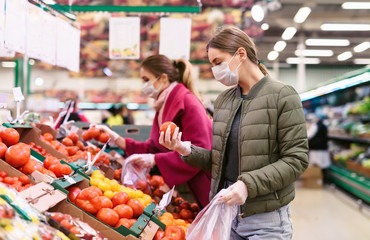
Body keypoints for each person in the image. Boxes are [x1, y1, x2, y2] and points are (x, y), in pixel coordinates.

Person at [160, 26, 309, 240]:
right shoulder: (224, 101)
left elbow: (296, 160)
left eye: (218, 62)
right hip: (227, 215)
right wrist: (186, 150)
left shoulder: (282, 96)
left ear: (241, 54)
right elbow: (220, 162)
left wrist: (247, 185)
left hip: (266, 220)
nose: (215, 71)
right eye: (212, 65)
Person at [97, 55, 212, 208]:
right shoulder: (164, 103)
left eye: (146, 79)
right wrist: (117, 139)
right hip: (194, 185)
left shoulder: (187, 102)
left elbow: (200, 149)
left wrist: (155, 159)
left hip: (207, 184)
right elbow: (156, 147)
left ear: (163, 78)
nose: (143, 85)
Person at [306, 113, 331, 183]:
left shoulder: (314, 126)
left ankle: (317, 181)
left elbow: (309, 135)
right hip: (323, 148)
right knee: (323, 165)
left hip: (315, 149)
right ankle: (322, 180)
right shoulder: (324, 126)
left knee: (316, 165)